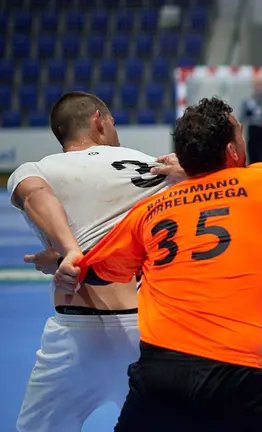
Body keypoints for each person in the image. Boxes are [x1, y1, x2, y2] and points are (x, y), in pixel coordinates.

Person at [54, 97, 262, 431]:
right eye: (241, 135)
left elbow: (94, 271)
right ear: (232, 152)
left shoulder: (149, 213)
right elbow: (227, 178)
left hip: (159, 376)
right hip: (235, 376)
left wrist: (63, 263)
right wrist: (188, 170)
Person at [6, 91, 185, 432]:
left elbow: (34, 195)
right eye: (113, 123)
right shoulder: (155, 166)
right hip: (144, 331)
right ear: (98, 121)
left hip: (75, 333)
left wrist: (70, 252)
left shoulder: (38, 169)